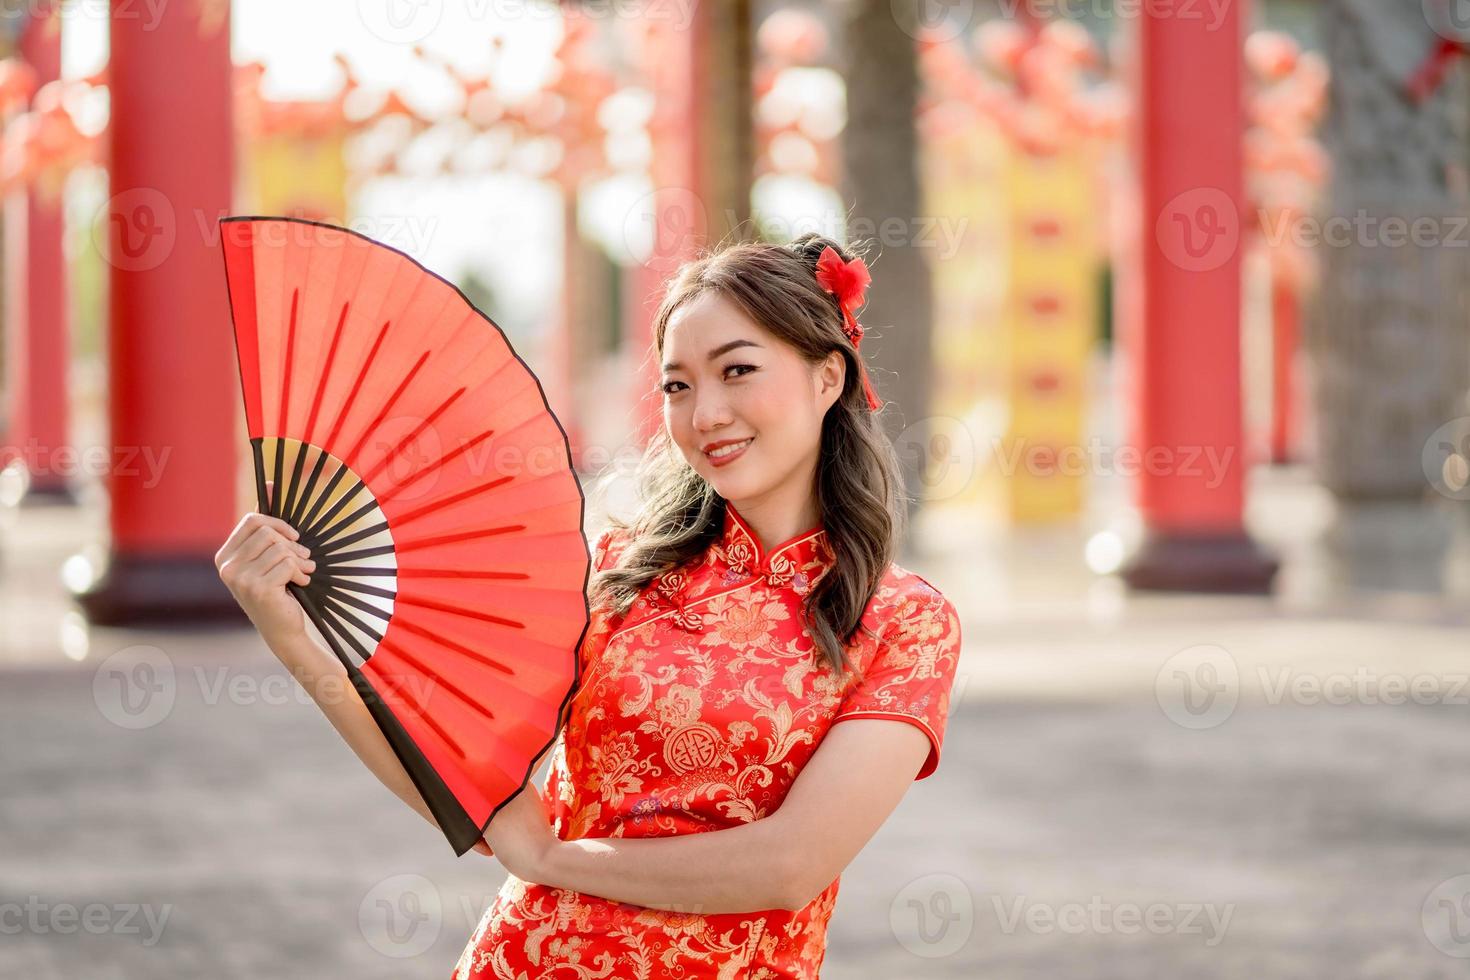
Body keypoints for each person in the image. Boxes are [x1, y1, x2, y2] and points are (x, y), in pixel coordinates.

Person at [215, 233, 962, 979]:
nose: (705, 415)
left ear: (827, 376)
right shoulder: (613, 574)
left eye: (738, 371)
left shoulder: (904, 621)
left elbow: (789, 865)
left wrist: (552, 858)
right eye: (678, 386)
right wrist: (291, 634)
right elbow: (459, 775)